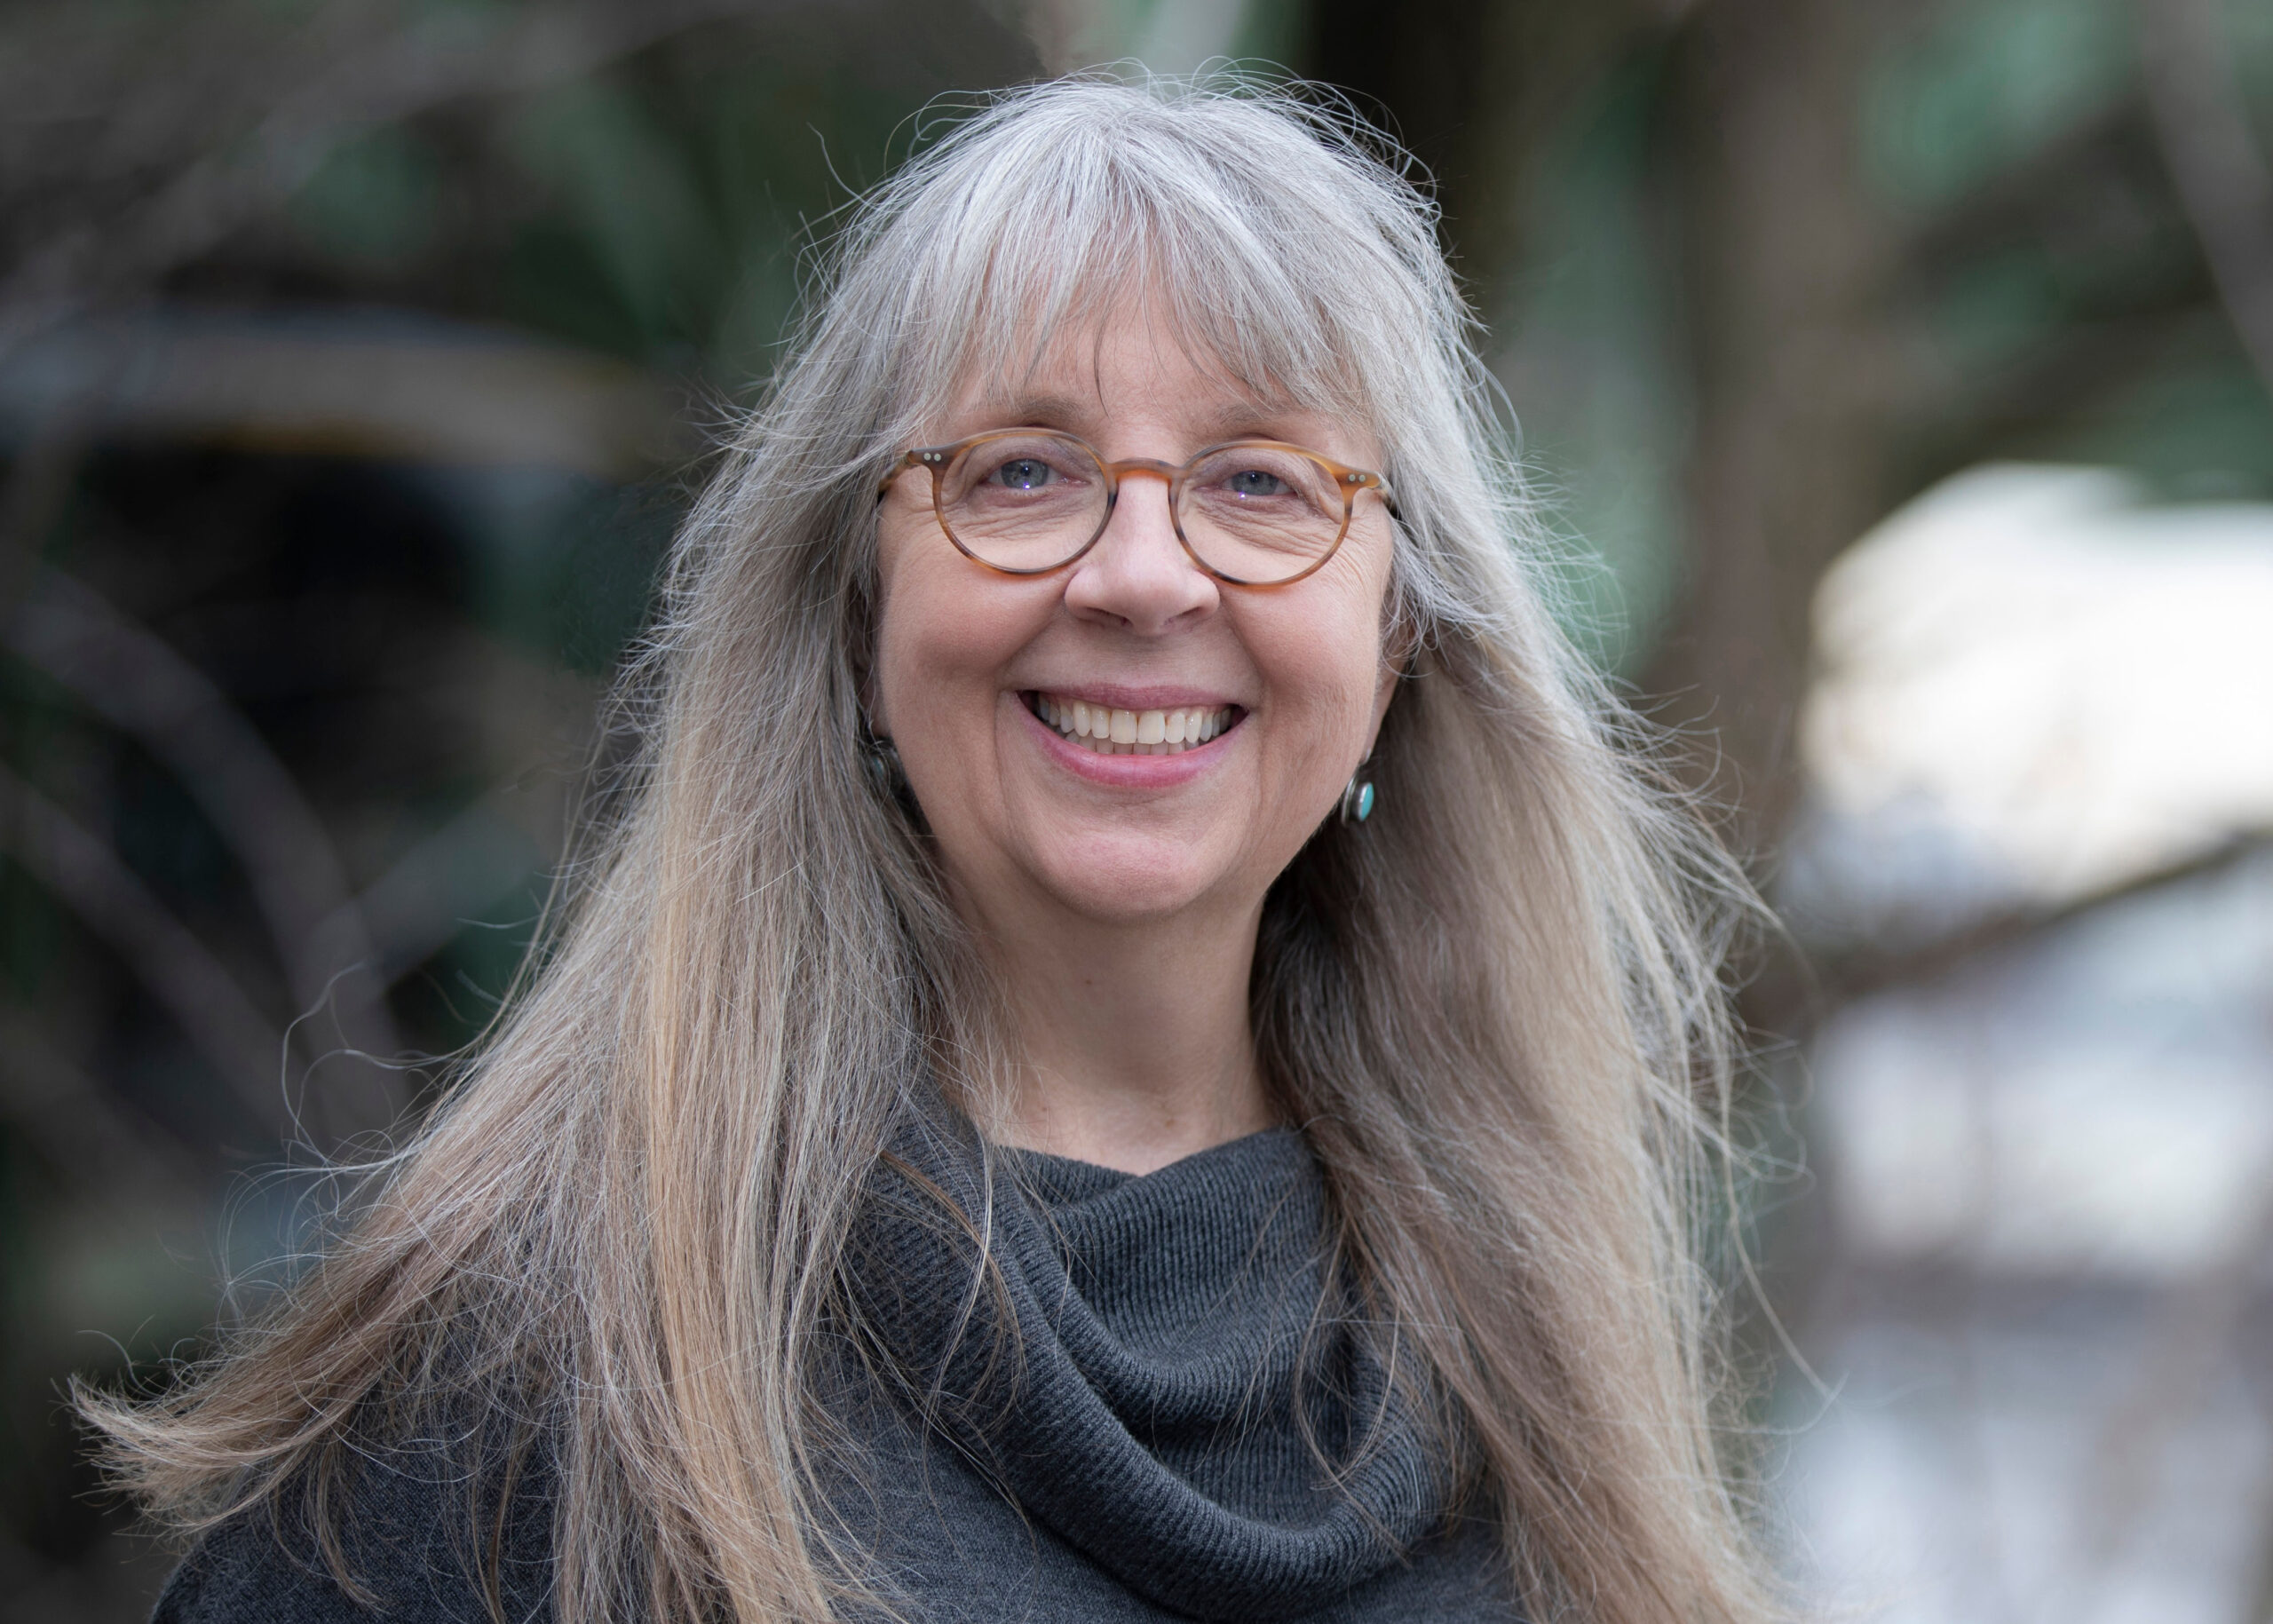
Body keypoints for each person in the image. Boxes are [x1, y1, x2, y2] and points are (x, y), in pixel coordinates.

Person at [87, 75, 1782, 1624]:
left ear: (1398, 638)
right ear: (859, 612)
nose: (1141, 573)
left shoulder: (1547, 1368)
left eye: (1262, 483)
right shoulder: (529, 1382)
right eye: (1022, 469)